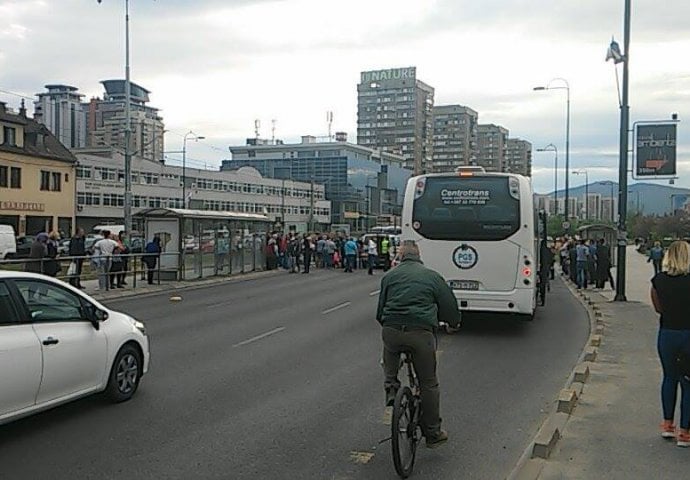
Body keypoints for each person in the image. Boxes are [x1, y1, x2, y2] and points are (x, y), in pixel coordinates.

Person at [376, 240, 462, 448]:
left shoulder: (389, 276)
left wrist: (389, 323)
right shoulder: (432, 276)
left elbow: (380, 312)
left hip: (393, 330)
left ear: (400, 255)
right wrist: (453, 323)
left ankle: (391, 387)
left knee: (390, 349)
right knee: (428, 383)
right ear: (418, 255)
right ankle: (433, 433)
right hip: (420, 333)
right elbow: (449, 306)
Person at [650, 240, 690, 447]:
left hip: (667, 333)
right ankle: (685, 433)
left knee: (669, 378)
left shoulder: (658, 280)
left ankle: (667, 425)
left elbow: (658, 309)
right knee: (688, 383)